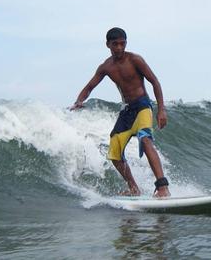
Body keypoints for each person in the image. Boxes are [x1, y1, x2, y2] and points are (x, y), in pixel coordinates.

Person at [69, 27, 170, 197]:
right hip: (126, 111)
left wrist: (161, 110)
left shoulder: (135, 60)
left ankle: (162, 188)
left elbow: (155, 82)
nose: (119, 47)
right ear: (107, 44)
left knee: (145, 140)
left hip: (143, 106)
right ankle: (133, 188)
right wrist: (79, 101)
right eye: (115, 44)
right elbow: (89, 87)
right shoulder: (106, 67)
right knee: (114, 152)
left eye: (122, 44)